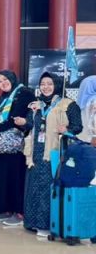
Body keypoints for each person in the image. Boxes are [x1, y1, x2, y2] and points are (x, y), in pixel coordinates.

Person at [23, 73, 82, 233]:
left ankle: (47, 225)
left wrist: (67, 129)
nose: (46, 87)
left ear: (56, 85)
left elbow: (78, 127)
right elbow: (29, 125)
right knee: (34, 187)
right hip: (36, 153)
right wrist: (24, 122)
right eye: (43, 84)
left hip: (54, 153)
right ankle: (32, 222)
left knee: (48, 188)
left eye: (49, 83)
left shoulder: (68, 104)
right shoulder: (36, 104)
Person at [0, 70, 31, 227]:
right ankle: (6, 209)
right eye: (0, 81)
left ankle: (19, 212)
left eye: (5, 79)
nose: (3, 83)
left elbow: (15, 118)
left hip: (14, 145)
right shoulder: (3, 97)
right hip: (0, 145)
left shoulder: (23, 93)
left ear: (12, 78)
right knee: (2, 179)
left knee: (15, 178)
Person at [78, 76, 96, 145]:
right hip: (93, 140)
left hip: (82, 139)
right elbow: (93, 121)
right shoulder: (94, 101)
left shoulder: (81, 101)